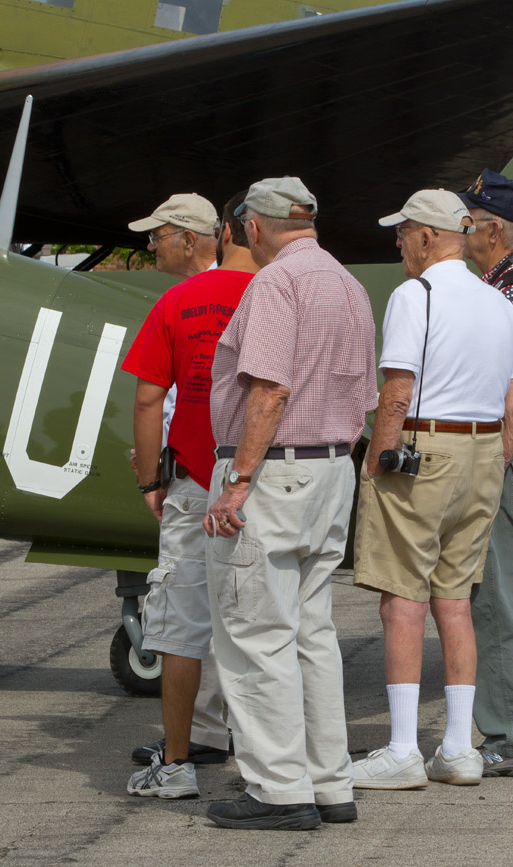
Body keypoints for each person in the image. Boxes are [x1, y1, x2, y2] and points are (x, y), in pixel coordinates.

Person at [204, 176, 376, 830]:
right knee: (312, 632)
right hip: (331, 468)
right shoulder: (347, 283)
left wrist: (239, 477)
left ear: (253, 225)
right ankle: (330, 780)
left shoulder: (276, 283)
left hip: (274, 472)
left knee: (254, 631)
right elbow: (363, 396)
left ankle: (278, 788)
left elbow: (269, 389)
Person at [352, 188, 513, 790]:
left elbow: (397, 386)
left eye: (403, 234)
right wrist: (499, 456)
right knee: (455, 600)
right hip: (483, 451)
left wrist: (378, 458)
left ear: (426, 236)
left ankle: (400, 750)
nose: (398, 244)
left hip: (424, 447)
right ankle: (458, 748)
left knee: (401, 598)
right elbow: (508, 397)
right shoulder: (497, 300)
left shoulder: (413, 294)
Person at [122, 193, 258, 799]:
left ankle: (180, 758)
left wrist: (150, 478)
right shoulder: (271, 294)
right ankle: (254, 751)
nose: (151, 244)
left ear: (191, 236)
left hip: (197, 477)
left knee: (181, 619)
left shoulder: (179, 301)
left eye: (159, 234)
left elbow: (150, 399)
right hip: (259, 477)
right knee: (255, 616)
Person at [459, 169, 513, 777]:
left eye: (470, 223)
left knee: (495, 598)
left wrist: (501, 454)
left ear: (493, 231)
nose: (464, 232)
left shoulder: (501, 291)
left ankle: (504, 732)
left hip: (506, 458)